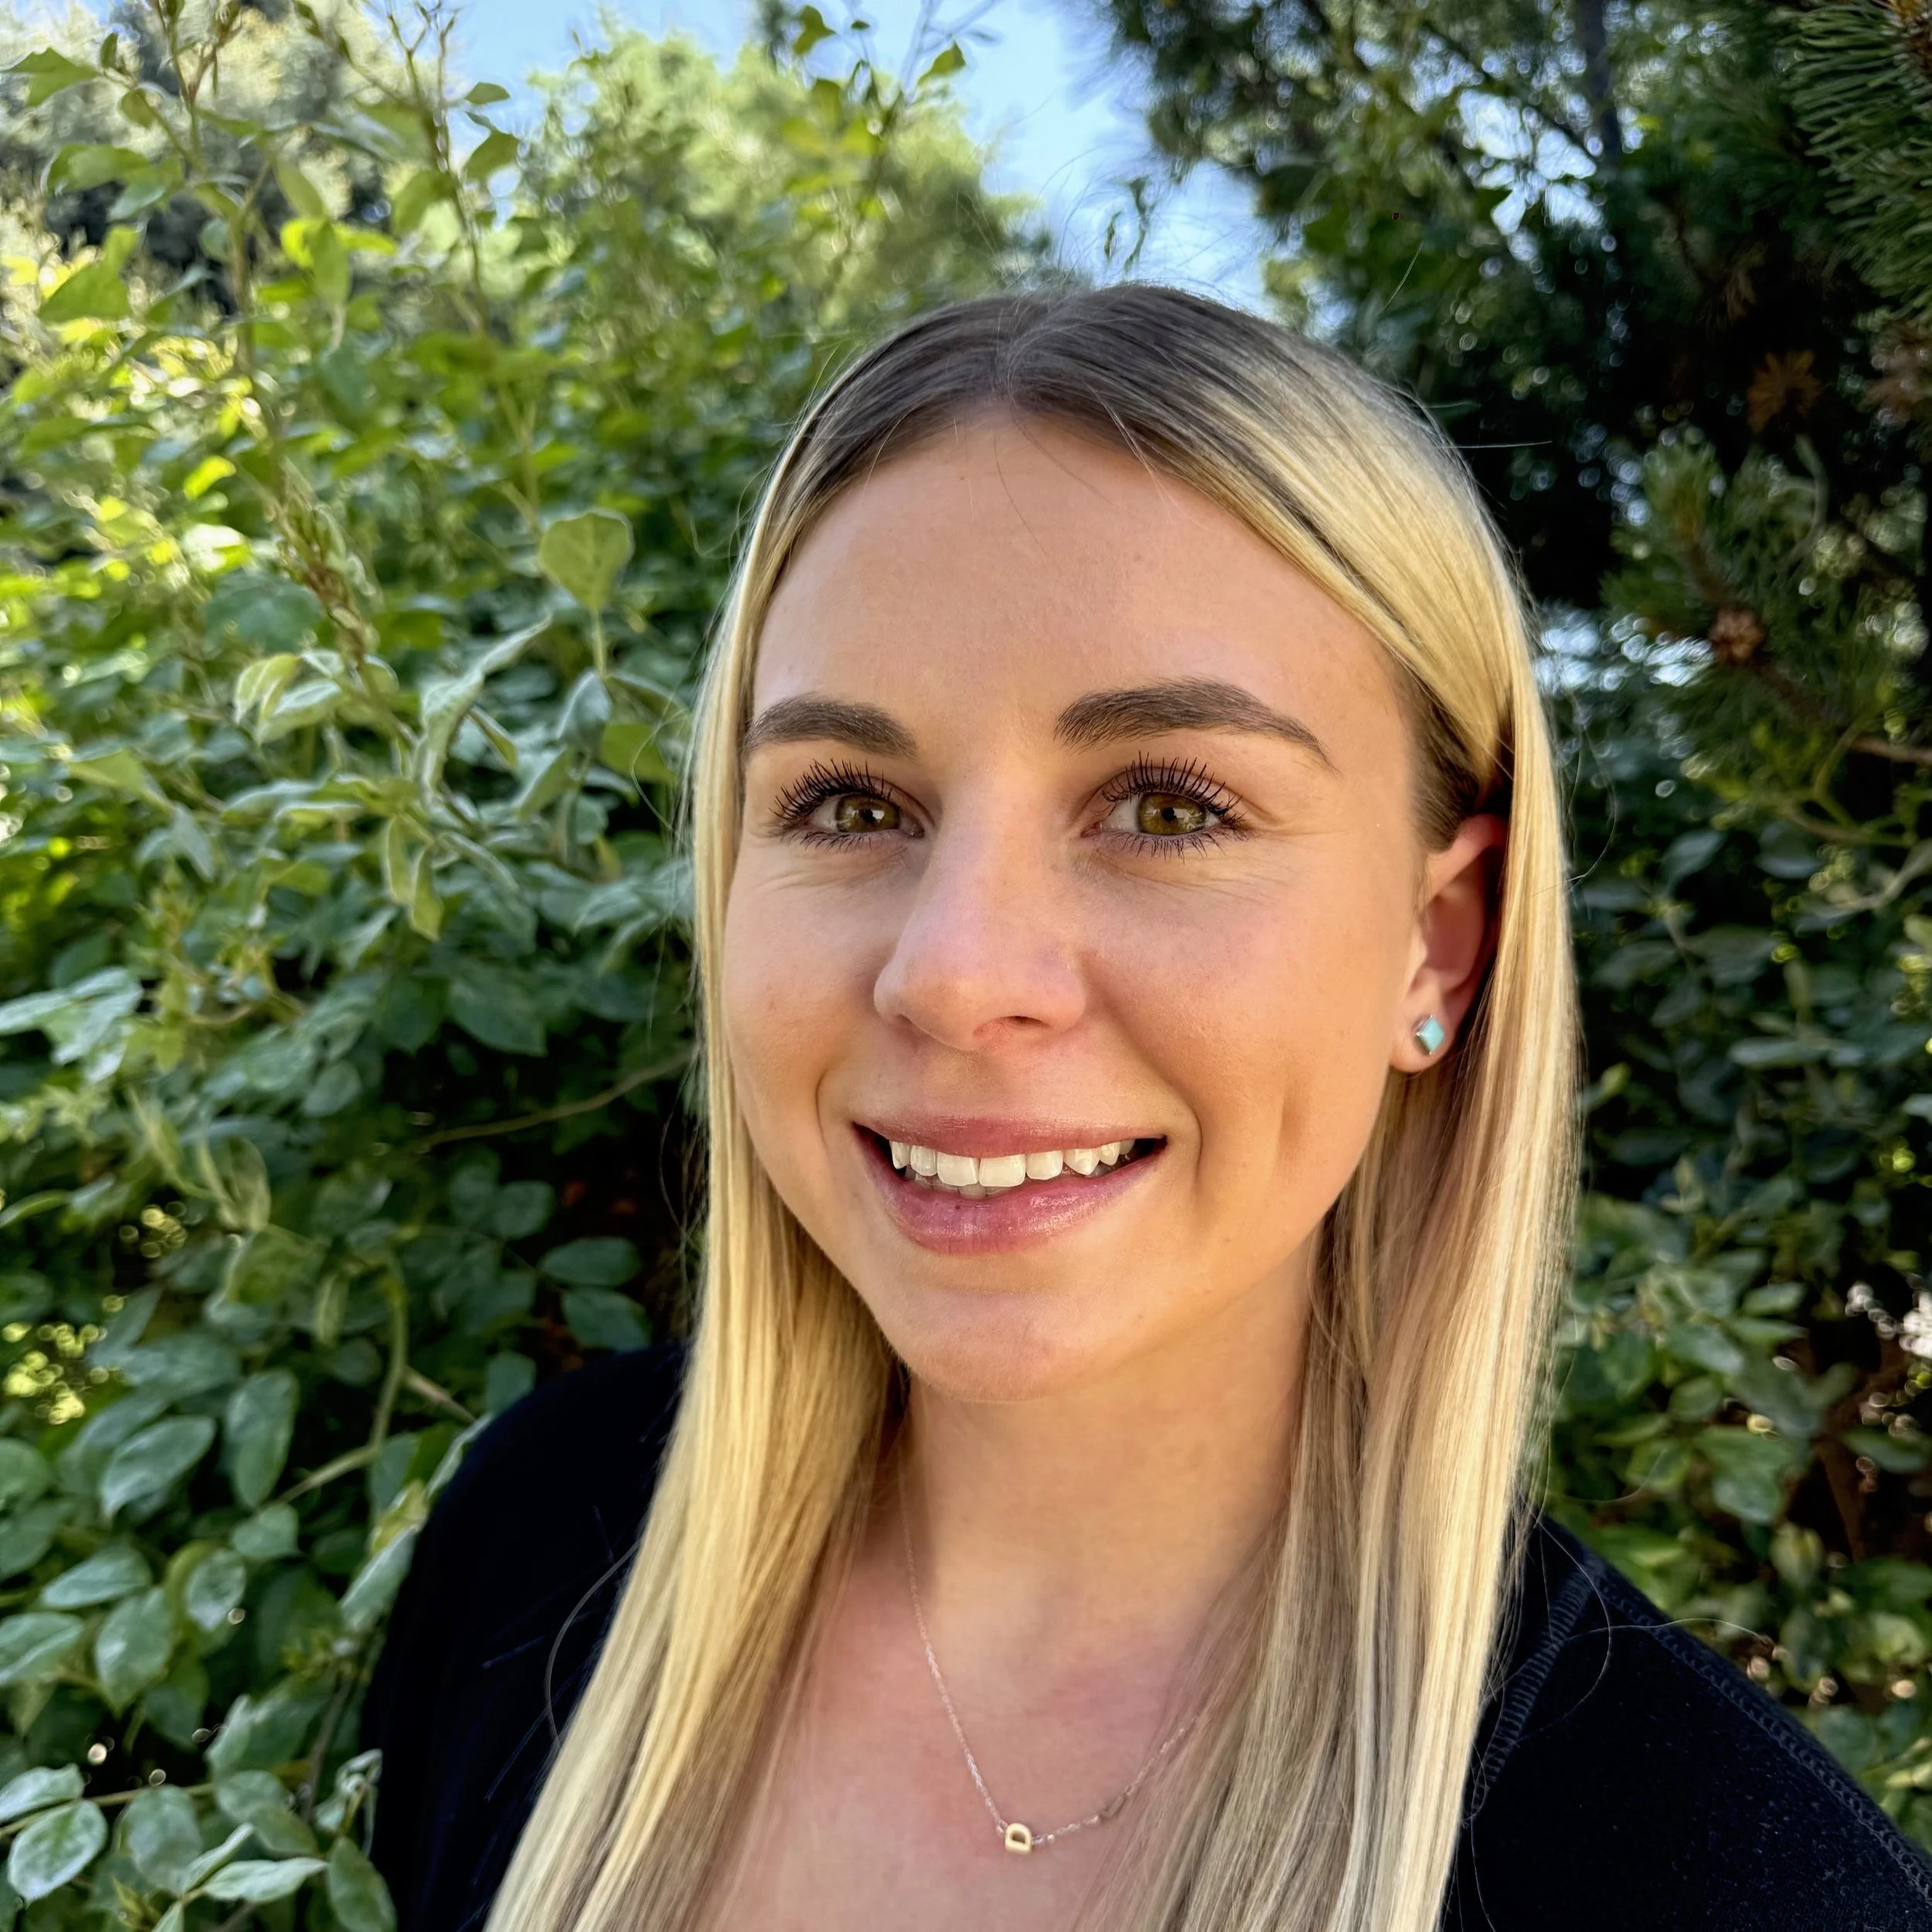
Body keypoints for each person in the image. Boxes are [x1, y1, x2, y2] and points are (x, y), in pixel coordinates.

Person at [363, 287, 1932, 1932]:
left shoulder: (1740, 1888)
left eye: (1169, 807)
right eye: (848, 804)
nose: (955, 975)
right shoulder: (537, 1542)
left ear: (1437, 940)